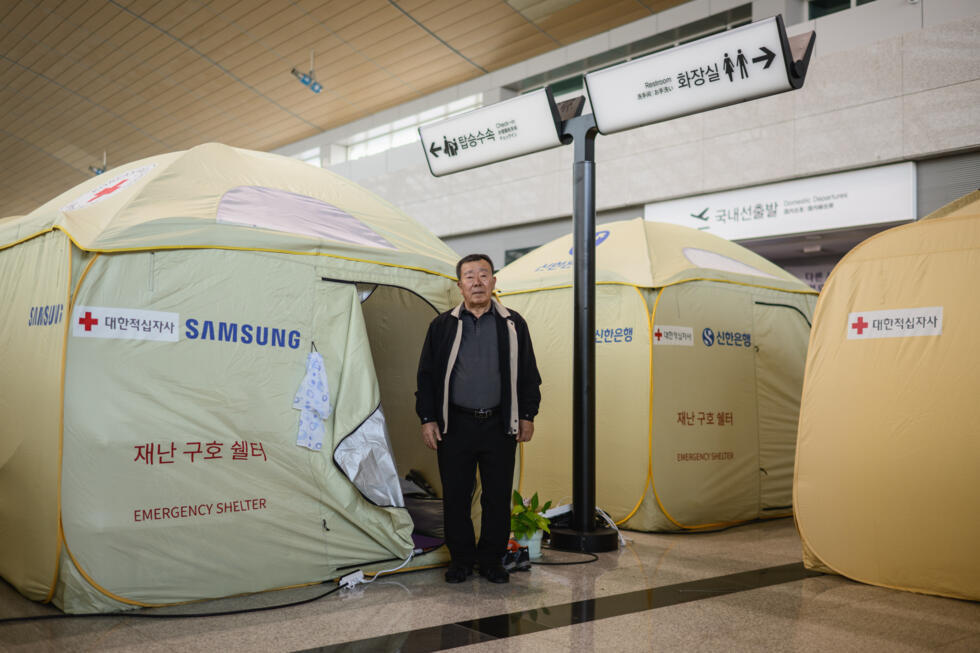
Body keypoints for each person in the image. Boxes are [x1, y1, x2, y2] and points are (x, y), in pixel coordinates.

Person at [416, 254, 541, 584]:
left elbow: (529, 374)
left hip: (499, 425)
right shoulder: (442, 326)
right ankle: (460, 560)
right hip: (454, 425)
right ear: (459, 285)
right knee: (456, 496)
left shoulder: (513, 324)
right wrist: (428, 418)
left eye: (483, 275)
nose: (477, 282)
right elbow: (426, 377)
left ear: (494, 282)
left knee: (497, 497)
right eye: (469, 276)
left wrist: (527, 415)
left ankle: (491, 561)